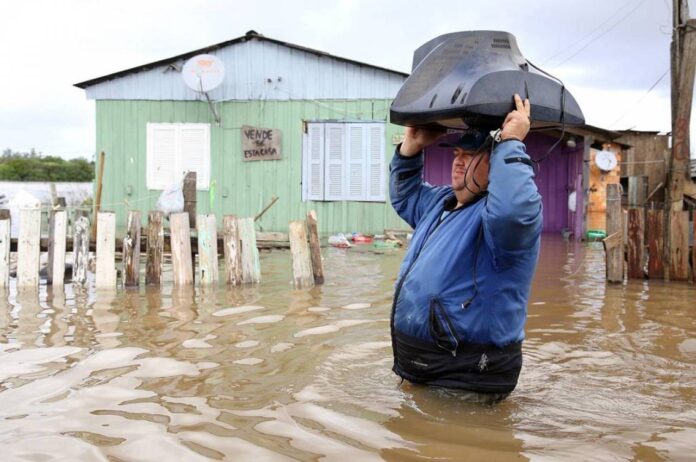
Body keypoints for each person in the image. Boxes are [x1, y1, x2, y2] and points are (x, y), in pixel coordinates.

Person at [389, 94, 542, 402]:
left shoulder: (501, 225)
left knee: (452, 448)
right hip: (422, 367)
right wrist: (411, 149)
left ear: (496, 165)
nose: (458, 161)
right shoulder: (440, 202)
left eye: (470, 155)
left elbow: (513, 210)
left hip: (466, 377)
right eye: (456, 153)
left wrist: (510, 144)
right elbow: (404, 196)